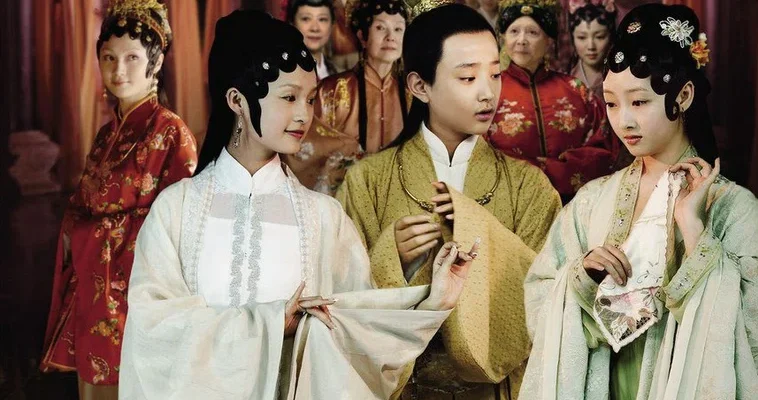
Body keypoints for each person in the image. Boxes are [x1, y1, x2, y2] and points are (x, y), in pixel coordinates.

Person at [118, 11, 478, 399]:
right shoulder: (176, 210)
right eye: (289, 97)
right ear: (237, 100)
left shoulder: (323, 217)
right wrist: (272, 323)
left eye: (310, 98)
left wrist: (433, 301)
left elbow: (360, 333)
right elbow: (152, 331)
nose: (305, 114)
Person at [520, 4, 758, 399]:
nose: (623, 120)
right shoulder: (592, 201)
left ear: (683, 95)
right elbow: (539, 297)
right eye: (612, 103)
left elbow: (750, 330)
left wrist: (695, 233)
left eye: (640, 102)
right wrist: (580, 279)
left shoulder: (734, 208)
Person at [336, 4, 562, 398]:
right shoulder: (367, 181)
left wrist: (475, 225)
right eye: (468, 77)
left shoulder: (529, 188)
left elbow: (547, 297)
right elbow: (339, 300)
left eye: (494, 74)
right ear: (419, 86)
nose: (487, 92)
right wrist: (392, 260)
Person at [40, 0, 197, 398]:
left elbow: (181, 221)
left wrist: (95, 232)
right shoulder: (106, 134)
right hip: (95, 286)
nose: (119, 70)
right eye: (109, 57)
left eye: (132, 58)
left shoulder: (171, 131)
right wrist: (77, 227)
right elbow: (83, 202)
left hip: (138, 292)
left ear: (155, 63)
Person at [488, 0, 617, 202]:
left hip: (574, 202)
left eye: (532, 32)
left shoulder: (575, 89)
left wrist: (555, 171)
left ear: (549, 40)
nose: (521, 40)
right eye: (514, 32)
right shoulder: (489, 90)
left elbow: (604, 145)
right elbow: (479, 150)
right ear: (503, 37)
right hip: (510, 202)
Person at [283, 0, 409, 195]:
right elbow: (303, 142)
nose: (391, 37)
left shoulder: (414, 95)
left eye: (398, 29)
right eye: (380, 28)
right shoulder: (330, 91)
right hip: (345, 198)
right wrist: (352, 154)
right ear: (362, 36)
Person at [569, 0, 617, 103]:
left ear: (610, 37)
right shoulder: (566, 77)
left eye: (599, 37)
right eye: (582, 37)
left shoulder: (620, 77)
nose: (591, 46)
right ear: (573, 39)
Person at [287, 0, 338, 80]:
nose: (315, 28)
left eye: (322, 19)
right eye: (306, 19)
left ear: (332, 25)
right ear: (292, 24)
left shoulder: (340, 74)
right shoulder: (283, 75)